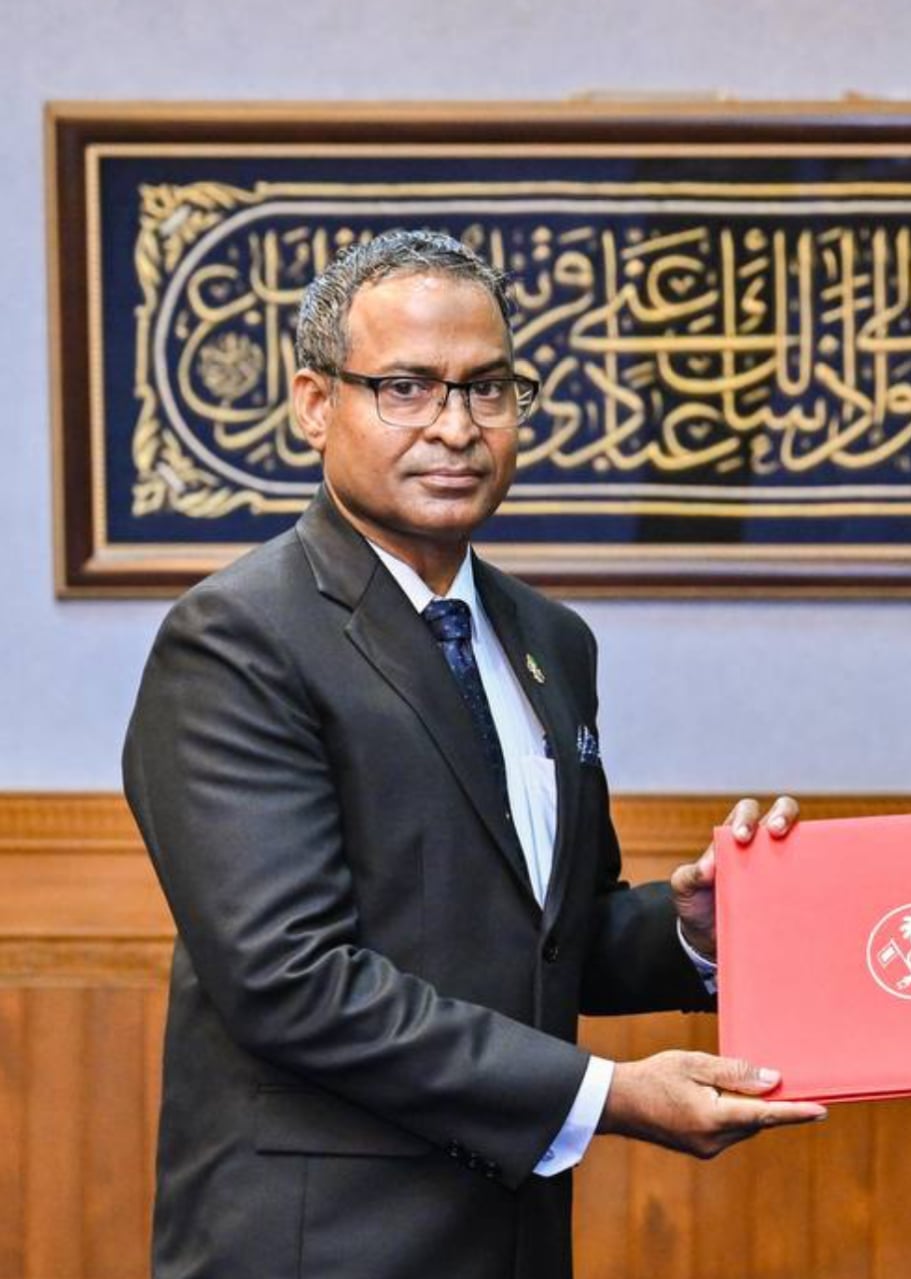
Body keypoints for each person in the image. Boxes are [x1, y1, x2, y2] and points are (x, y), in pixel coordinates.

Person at [122, 229, 826, 1279]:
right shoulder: (238, 637)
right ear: (315, 404)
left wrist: (691, 936)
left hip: (509, 1236)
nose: (455, 427)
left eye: (487, 389)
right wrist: (607, 1093)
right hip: (317, 1244)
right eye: (405, 388)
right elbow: (288, 978)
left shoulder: (550, 639)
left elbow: (549, 938)